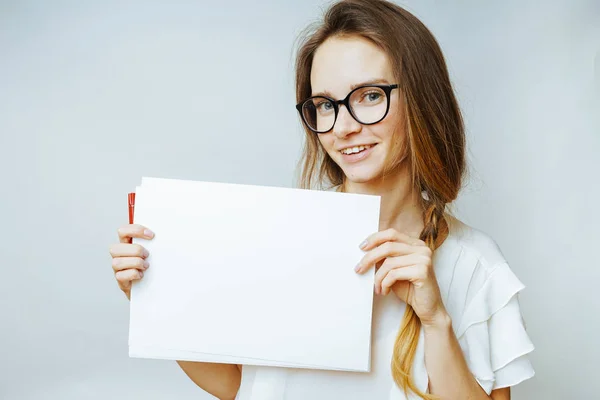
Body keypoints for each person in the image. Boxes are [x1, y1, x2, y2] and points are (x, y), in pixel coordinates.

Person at [109, 0, 535, 399]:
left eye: (370, 95)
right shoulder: (279, 232)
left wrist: (435, 320)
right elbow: (237, 385)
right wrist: (151, 296)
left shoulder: (476, 264)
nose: (342, 126)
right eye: (325, 104)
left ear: (423, 100)